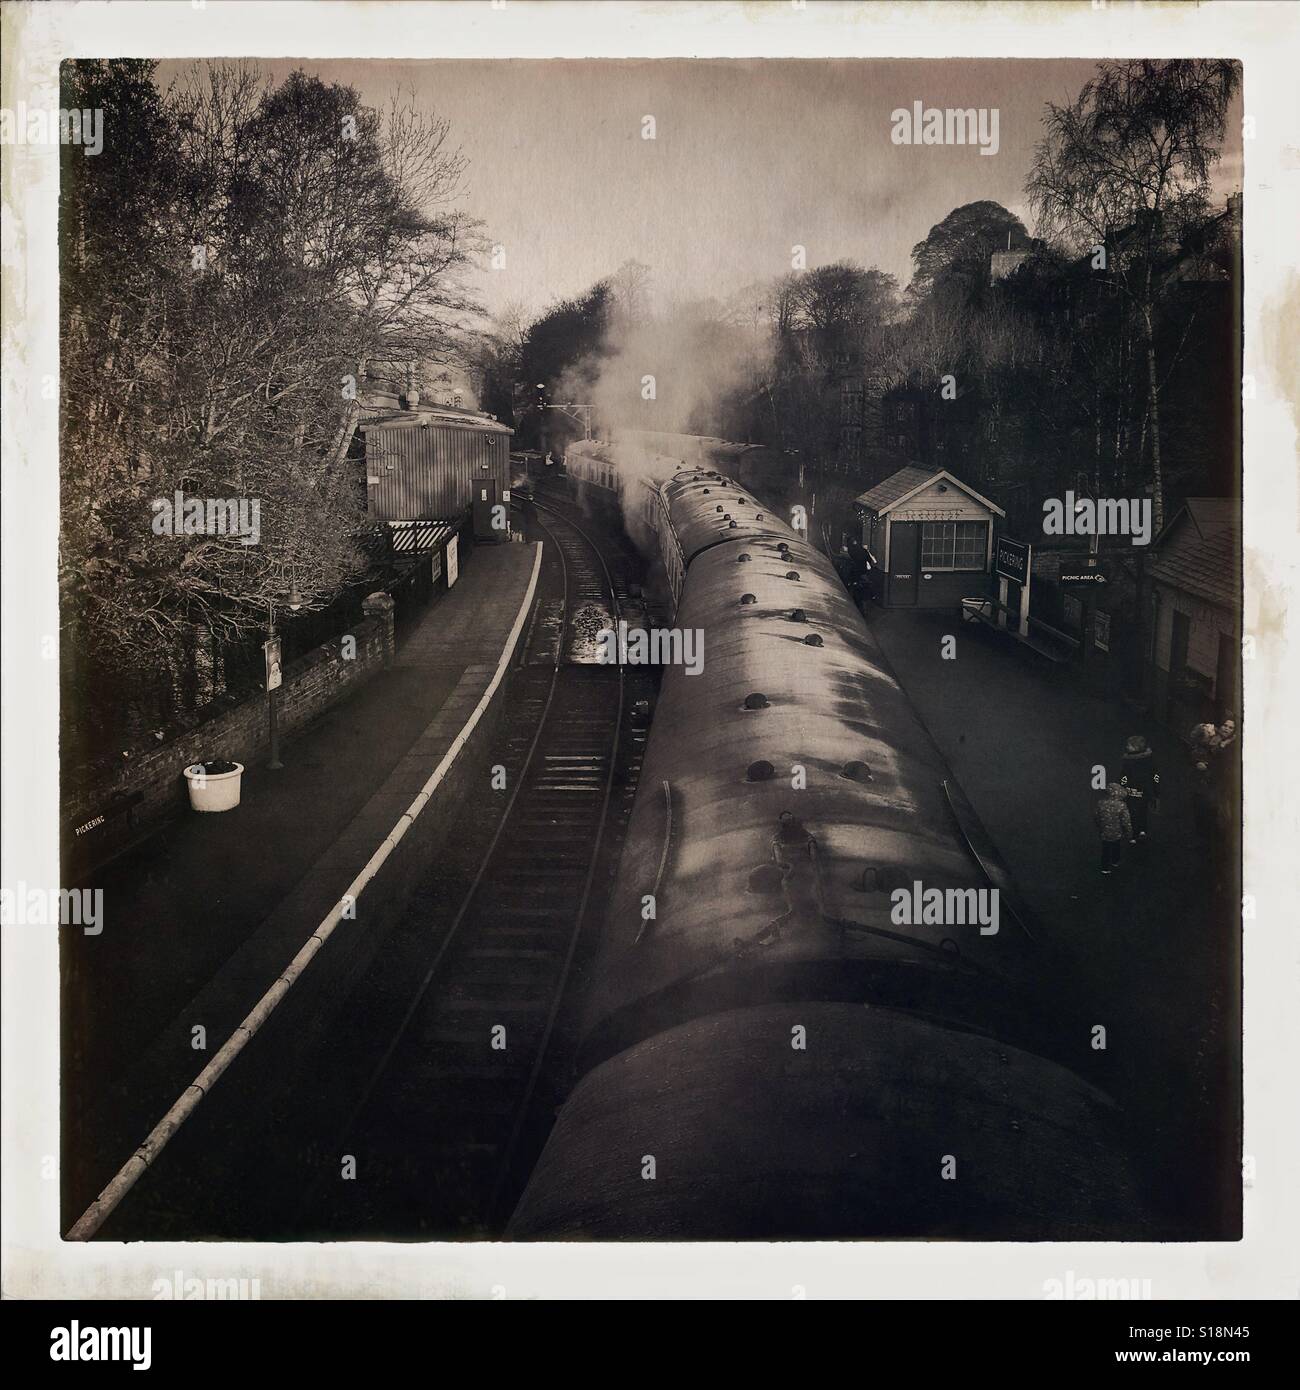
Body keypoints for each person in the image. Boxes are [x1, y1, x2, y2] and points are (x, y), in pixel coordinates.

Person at [1118, 734, 1160, 840]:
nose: (1127, 747)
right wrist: (1156, 790)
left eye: (1129, 745)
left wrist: (1121, 786)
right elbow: (1155, 776)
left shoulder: (1127, 761)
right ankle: (1143, 830)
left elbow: (1124, 776)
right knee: (1143, 811)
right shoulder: (1149, 760)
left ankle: (1133, 831)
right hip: (1145, 791)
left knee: (1132, 811)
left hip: (1130, 791)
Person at [1094, 781, 1133, 874]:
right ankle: (1115, 861)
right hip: (1117, 832)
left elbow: (1096, 816)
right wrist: (1129, 833)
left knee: (1105, 849)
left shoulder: (1101, 803)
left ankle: (1105, 868)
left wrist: (1099, 826)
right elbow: (1126, 821)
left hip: (1104, 831)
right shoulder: (1121, 805)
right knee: (1116, 846)